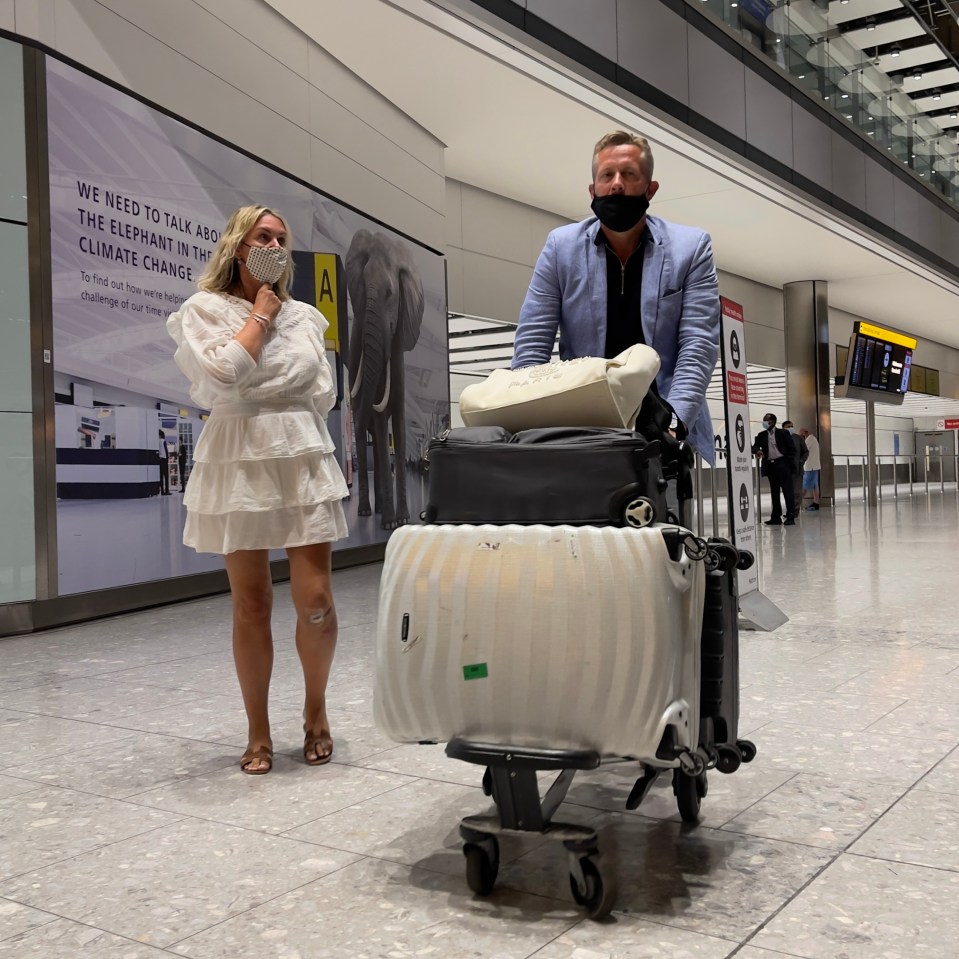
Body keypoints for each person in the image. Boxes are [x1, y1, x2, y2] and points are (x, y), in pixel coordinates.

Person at [167, 205, 349, 776]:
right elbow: (219, 377)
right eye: (261, 236)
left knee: (316, 601)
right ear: (238, 246)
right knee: (251, 604)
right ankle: (258, 730)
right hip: (237, 453)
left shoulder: (307, 318)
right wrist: (261, 319)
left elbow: (318, 390)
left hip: (297, 447)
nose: (272, 243)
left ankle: (316, 712)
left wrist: (253, 366)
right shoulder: (203, 308)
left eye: (280, 237)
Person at [511, 130, 720, 464]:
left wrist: (675, 425)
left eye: (629, 174)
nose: (617, 184)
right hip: (583, 427)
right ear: (593, 190)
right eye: (607, 175)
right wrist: (527, 424)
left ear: (650, 189)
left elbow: (699, 346)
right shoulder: (560, 247)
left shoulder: (691, 248)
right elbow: (532, 345)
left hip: (664, 422)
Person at [752, 412, 797, 525]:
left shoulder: (783, 433)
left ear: (773, 421)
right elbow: (754, 446)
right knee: (774, 492)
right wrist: (758, 450)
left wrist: (788, 462)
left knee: (788, 491)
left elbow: (792, 449)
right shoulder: (761, 435)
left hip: (783, 464)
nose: (764, 422)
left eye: (766, 420)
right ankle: (776, 517)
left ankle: (791, 516)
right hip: (770, 466)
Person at [782, 420, 808, 508]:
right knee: (787, 491)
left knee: (797, 491)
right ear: (783, 428)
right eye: (788, 427)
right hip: (785, 469)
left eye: (791, 426)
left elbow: (805, 452)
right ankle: (790, 510)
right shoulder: (780, 438)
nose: (790, 428)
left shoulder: (798, 438)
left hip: (797, 469)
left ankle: (795, 510)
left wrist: (801, 461)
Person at [799, 427, 821, 510]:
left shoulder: (809, 440)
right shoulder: (813, 439)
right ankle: (816, 503)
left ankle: (795, 506)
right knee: (815, 485)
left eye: (800, 435)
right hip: (814, 466)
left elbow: (803, 451)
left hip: (810, 467)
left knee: (804, 486)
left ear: (804, 433)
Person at [158, 430, 171, 495]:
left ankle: (162, 491)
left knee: (161, 476)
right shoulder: (163, 441)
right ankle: (167, 490)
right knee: (166, 476)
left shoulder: (157, 442)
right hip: (164, 459)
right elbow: (166, 451)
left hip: (160, 460)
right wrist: (168, 459)